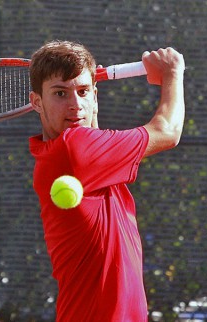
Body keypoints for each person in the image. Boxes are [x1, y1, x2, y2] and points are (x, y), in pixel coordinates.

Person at [28, 40, 185, 322]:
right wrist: (173, 72)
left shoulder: (62, 153)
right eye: (61, 93)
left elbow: (91, 138)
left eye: (83, 91)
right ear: (37, 101)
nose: (76, 104)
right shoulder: (74, 149)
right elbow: (168, 131)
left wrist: (92, 113)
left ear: (95, 96)